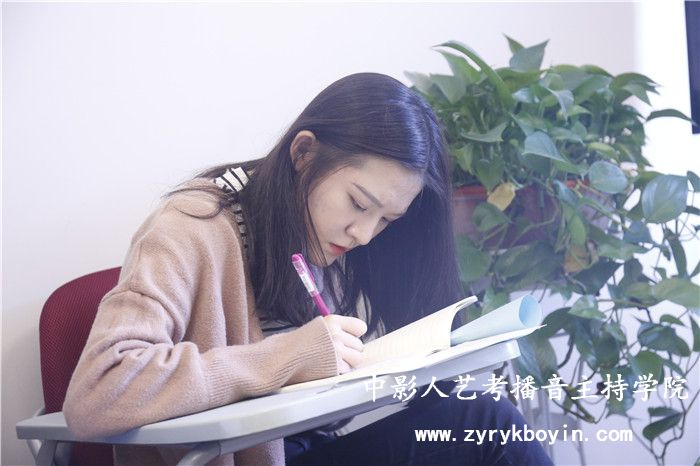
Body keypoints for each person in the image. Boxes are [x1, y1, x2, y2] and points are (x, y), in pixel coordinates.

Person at [63, 73, 554, 466]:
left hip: (300, 451)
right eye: (358, 203)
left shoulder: (321, 239)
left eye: (387, 219)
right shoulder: (191, 225)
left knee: (480, 421)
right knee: (489, 422)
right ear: (303, 153)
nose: (364, 233)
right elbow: (98, 394)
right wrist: (290, 354)